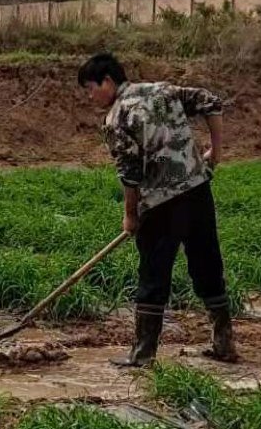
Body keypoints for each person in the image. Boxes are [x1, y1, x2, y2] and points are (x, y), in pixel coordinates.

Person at [78, 53, 237, 367]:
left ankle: (143, 354)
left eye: (90, 88)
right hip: (197, 192)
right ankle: (224, 342)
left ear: (107, 81)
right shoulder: (163, 90)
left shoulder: (117, 118)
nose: (90, 96)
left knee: (153, 274)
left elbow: (130, 174)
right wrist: (216, 152)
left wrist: (130, 214)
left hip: (162, 204)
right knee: (207, 263)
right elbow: (211, 102)